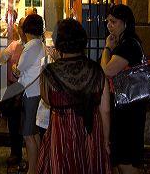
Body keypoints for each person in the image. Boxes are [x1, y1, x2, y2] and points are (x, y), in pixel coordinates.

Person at [37, 19, 111, 173]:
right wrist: (105, 140)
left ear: (59, 42)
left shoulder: (49, 72)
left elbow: (46, 100)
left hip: (61, 132)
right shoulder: (97, 70)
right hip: (90, 131)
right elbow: (105, 110)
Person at [101, 4, 145, 174]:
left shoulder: (128, 45)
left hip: (130, 109)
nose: (109, 25)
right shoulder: (125, 43)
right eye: (108, 22)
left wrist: (107, 48)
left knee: (126, 160)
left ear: (125, 23)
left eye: (113, 22)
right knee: (120, 159)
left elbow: (106, 70)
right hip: (125, 106)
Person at [14, 14, 45, 174]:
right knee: (34, 133)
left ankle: (32, 170)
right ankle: (39, 166)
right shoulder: (41, 43)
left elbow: (19, 68)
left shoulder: (31, 45)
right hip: (38, 92)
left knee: (27, 134)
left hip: (30, 94)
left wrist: (14, 68)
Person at [0, 17, 26, 165]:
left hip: (28, 88)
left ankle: (32, 153)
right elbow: (0, 58)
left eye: (24, 27)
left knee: (28, 123)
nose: (22, 30)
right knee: (13, 123)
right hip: (13, 88)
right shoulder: (14, 45)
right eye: (20, 26)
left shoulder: (37, 46)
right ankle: (16, 152)